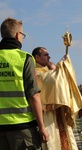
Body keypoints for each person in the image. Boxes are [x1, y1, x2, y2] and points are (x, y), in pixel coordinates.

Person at [0, 18, 49, 150]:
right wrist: (42, 127)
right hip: (22, 127)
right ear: (17, 35)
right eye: (23, 35)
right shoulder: (24, 59)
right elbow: (33, 95)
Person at [32, 47, 82, 150]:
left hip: (59, 113)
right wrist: (61, 66)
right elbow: (49, 81)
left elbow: (60, 82)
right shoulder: (34, 72)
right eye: (46, 54)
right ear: (37, 57)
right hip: (46, 114)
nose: (49, 56)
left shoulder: (49, 70)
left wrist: (58, 69)